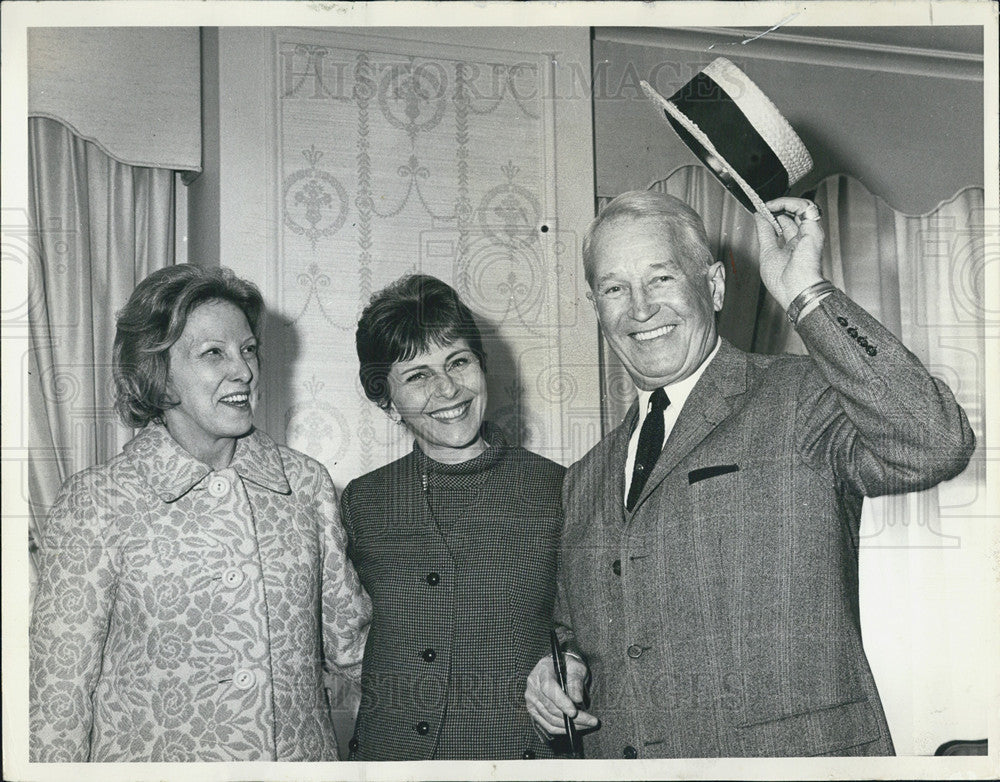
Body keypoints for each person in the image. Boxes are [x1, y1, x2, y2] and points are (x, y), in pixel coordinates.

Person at [524, 191, 976, 758]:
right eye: (615, 288)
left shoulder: (800, 396)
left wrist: (804, 294)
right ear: (597, 308)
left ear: (713, 287)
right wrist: (560, 667)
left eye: (661, 279)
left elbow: (934, 442)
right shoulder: (584, 477)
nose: (640, 308)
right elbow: (577, 631)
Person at [29, 265, 371, 762]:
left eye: (248, 349)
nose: (245, 371)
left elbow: (354, 646)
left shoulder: (305, 484)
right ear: (156, 373)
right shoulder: (96, 502)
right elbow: (56, 702)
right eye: (214, 353)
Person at [342, 273, 565, 760]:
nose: (447, 389)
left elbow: (590, 627)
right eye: (418, 376)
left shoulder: (559, 490)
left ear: (482, 367)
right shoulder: (363, 503)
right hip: (389, 761)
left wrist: (565, 659)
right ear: (387, 400)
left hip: (510, 757)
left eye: (458, 362)